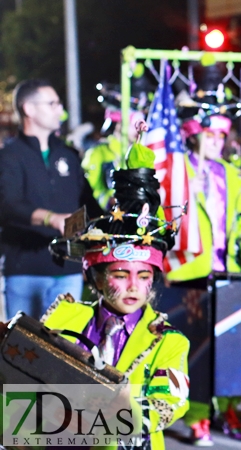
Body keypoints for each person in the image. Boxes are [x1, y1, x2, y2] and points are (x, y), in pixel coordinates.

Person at [42, 141, 190, 450]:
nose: (134, 286)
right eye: (120, 276)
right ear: (96, 277)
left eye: (144, 276)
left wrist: (115, 414)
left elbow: (168, 403)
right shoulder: (61, 318)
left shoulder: (169, 341)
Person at [168, 78, 241, 444]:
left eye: (221, 137)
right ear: (194, 134)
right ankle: (197, 415)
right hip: (189, 271)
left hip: (227, 270)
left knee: (233, 344)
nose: (217, 142)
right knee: (196, 348)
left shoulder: (231, 175)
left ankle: (229, 407)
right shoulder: (178, 171)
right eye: (210, 135)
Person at [0, 79, 103, 318]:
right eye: (53, 103)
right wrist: (51, 218)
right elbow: (8, 205)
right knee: (24, 352)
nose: (60, 110)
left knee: (65, 349)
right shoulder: (9, 156)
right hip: (25, 271)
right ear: (29, 109)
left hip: (69, 272)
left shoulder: (68, 154)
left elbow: (89, 205)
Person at [82, 80, 152, 209]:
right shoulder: (97, 153)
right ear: (120, 123)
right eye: (135, 123)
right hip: (110, 222)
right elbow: (89, 191)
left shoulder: (143, 152)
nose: (140, 128)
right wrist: (109, 201)